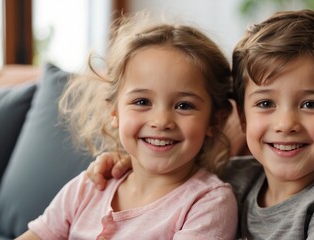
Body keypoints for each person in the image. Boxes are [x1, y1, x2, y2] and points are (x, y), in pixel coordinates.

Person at [87, 9, 314, 239]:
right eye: (265, 104)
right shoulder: (234, 176)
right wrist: (125, 161)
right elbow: (169, 172)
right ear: (243, 119)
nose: (285, 124)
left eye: (310, 104)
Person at [16, 12, 238, 240]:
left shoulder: (209, 203)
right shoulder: (89, 186)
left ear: (214, 120)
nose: (161, 121)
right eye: (142, 102)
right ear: (115, 113)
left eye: (184, 105)